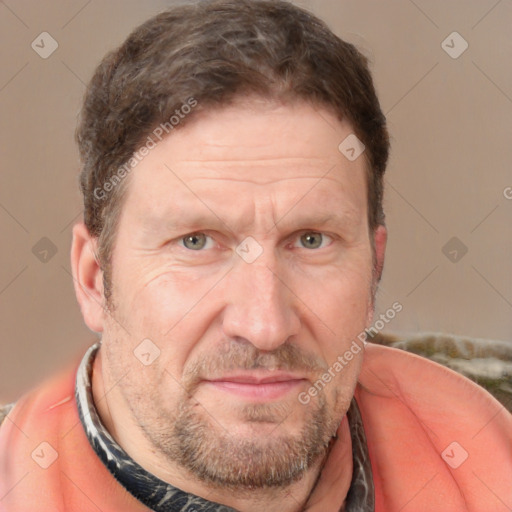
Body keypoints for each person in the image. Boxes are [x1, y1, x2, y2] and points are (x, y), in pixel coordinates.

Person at [0, 1, 510, 511]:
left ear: (374, 268)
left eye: (311, 240)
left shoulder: (489, 457)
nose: (265, 325)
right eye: (196, 242)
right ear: (94, 279)